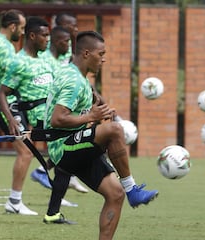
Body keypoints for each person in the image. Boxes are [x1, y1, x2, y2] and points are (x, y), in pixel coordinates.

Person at [43, 31, 158, 239]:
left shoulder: (78, 76)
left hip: (76, 145)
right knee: (114, 130)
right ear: (87, 53)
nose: (104, 59)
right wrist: (91, 116)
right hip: (62, 146)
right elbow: (57, 119)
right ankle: (132, 189)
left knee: (115, 194)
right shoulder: (73, 81)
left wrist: (98, 111)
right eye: (101, 54)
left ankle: (127, 193)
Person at [0, 10, 40, 216]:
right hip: (3, 103)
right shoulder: (1, 44)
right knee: (26, 151)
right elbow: (16, 69)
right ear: (13, 26)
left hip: (8, 102)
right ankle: (14, 202)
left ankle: (15, 200)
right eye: (22, 28)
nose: (23, 33)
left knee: (26, 149)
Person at [0, 16, 51, 215]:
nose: (47, 39)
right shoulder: (19, 62)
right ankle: (14, 201)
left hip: (41, 118)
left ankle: (55, 191)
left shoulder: (45, 58)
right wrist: (11, 119)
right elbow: (1, 94)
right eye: (44, 35)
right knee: (26, 152)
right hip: (19, 114)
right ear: (32, 36)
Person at [30, 12, 89, 194]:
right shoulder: (46, 58)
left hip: (64, 106)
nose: (75, 28)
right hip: (49, 111)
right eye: (71, 25)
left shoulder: (70, 51)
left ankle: (53, 204)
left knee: (70, 141)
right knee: (71, 139)